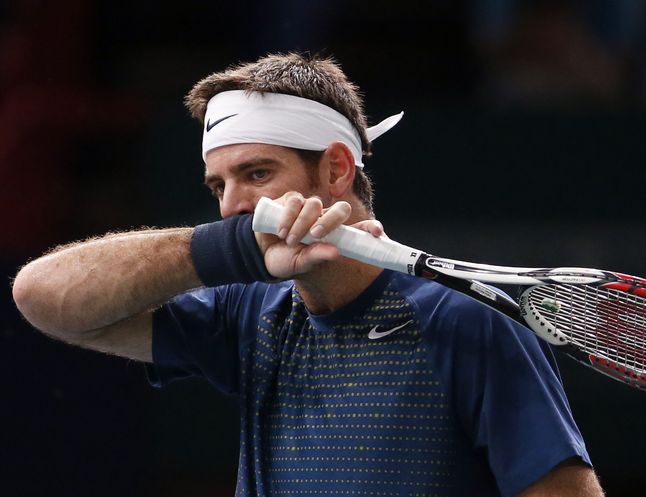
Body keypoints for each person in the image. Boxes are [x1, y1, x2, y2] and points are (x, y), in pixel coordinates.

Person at [12, 53, 604, 497]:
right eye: (219, 186)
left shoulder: (468, 322)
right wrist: (228, 250)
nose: (231, 206)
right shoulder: (246, 313)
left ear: (337, 169)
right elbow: (42, 297)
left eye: (257, 174)